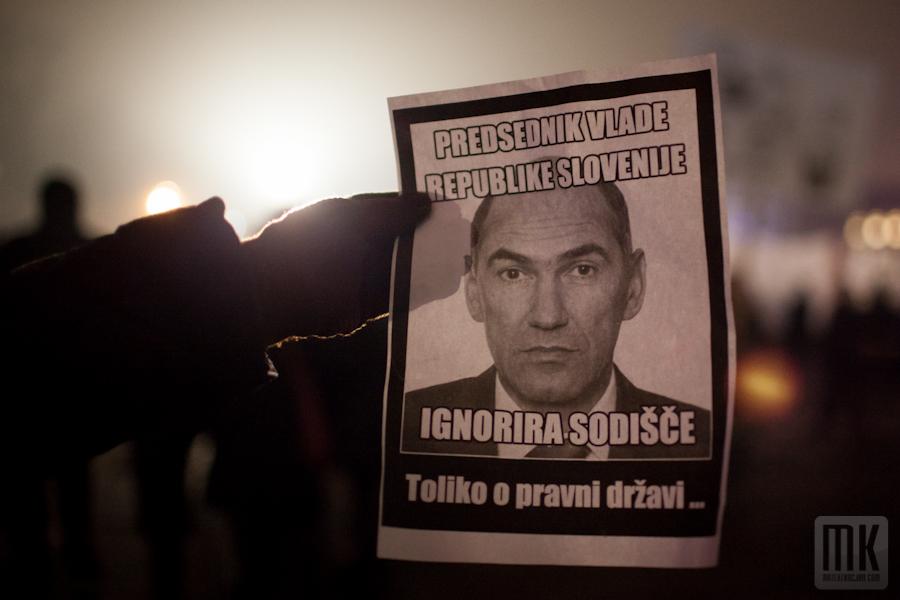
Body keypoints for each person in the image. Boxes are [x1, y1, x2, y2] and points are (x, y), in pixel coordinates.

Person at [403, 182, 709, 459]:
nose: (547, 317)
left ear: (633, 286)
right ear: (474, 294)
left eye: (582, 270)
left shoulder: (705, 443)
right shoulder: (401, 426)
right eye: (513, 274)